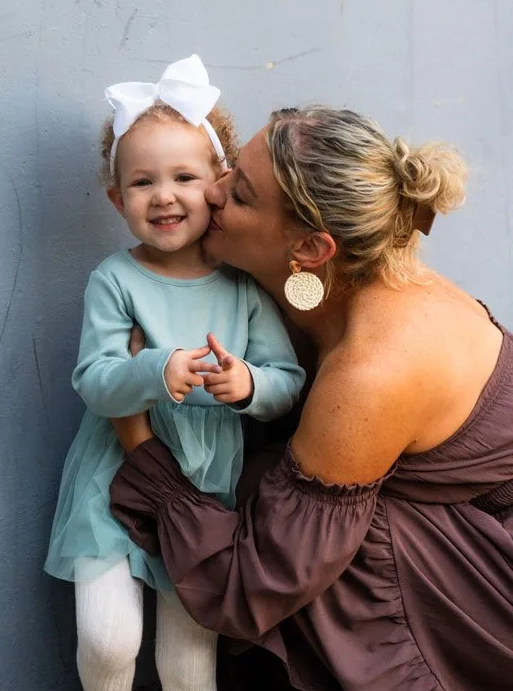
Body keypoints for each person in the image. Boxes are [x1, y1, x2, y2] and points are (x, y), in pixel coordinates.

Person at [108, 106, 513, 691]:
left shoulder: (372, 371)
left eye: (240, 195)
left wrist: (138, 442)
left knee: (326, 540)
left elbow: (252, 587)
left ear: (311, 250)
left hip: (483, 585)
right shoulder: (344, 279)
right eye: (228, 168)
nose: (211, 193)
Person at [45, 57, 305, 691]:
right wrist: (157, 368)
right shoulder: (115, 279)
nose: (163, 195)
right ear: (118, 199)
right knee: (109, 640)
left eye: (184, 176)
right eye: (141, 182)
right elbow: (94, 380)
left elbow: (287, 381)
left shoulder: (243, 287)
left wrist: (247, 384)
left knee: (189, 662)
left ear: (218, 183)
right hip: (113, 479)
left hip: (209, 488)